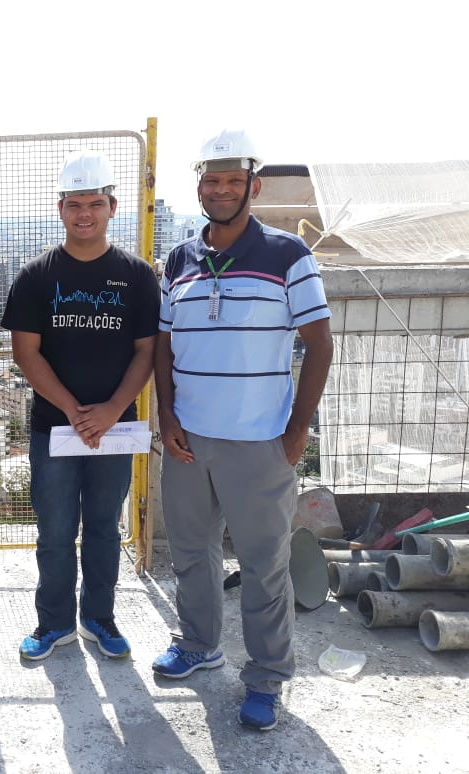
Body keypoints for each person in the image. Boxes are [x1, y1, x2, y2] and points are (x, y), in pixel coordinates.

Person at [152, 129, 334, 731]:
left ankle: (266, 678)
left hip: (260, 442)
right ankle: (200, 646)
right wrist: (168, 420)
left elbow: (318, 344)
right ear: (199, 187)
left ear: (252, 186)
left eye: (234, 180)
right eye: (212, 179)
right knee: (191, 553)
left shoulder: (288, 256)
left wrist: (294, 432)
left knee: (263, 564)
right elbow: (163, 347)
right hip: (187, 442)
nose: (222, 189)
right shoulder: (178, 259)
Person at [1, 150, 160, 661]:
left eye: (95, 203)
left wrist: (113, 408)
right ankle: (53, 624)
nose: (84, 213)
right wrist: (74, 409)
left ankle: (99, 618)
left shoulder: (136, 276)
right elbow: (26, 353)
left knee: (103, 529)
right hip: (55, 427)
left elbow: (146, 352)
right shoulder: (36, 276)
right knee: (53, 531)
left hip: (115, 427)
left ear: (113, 207)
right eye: (75, 204)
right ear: (60, 208)